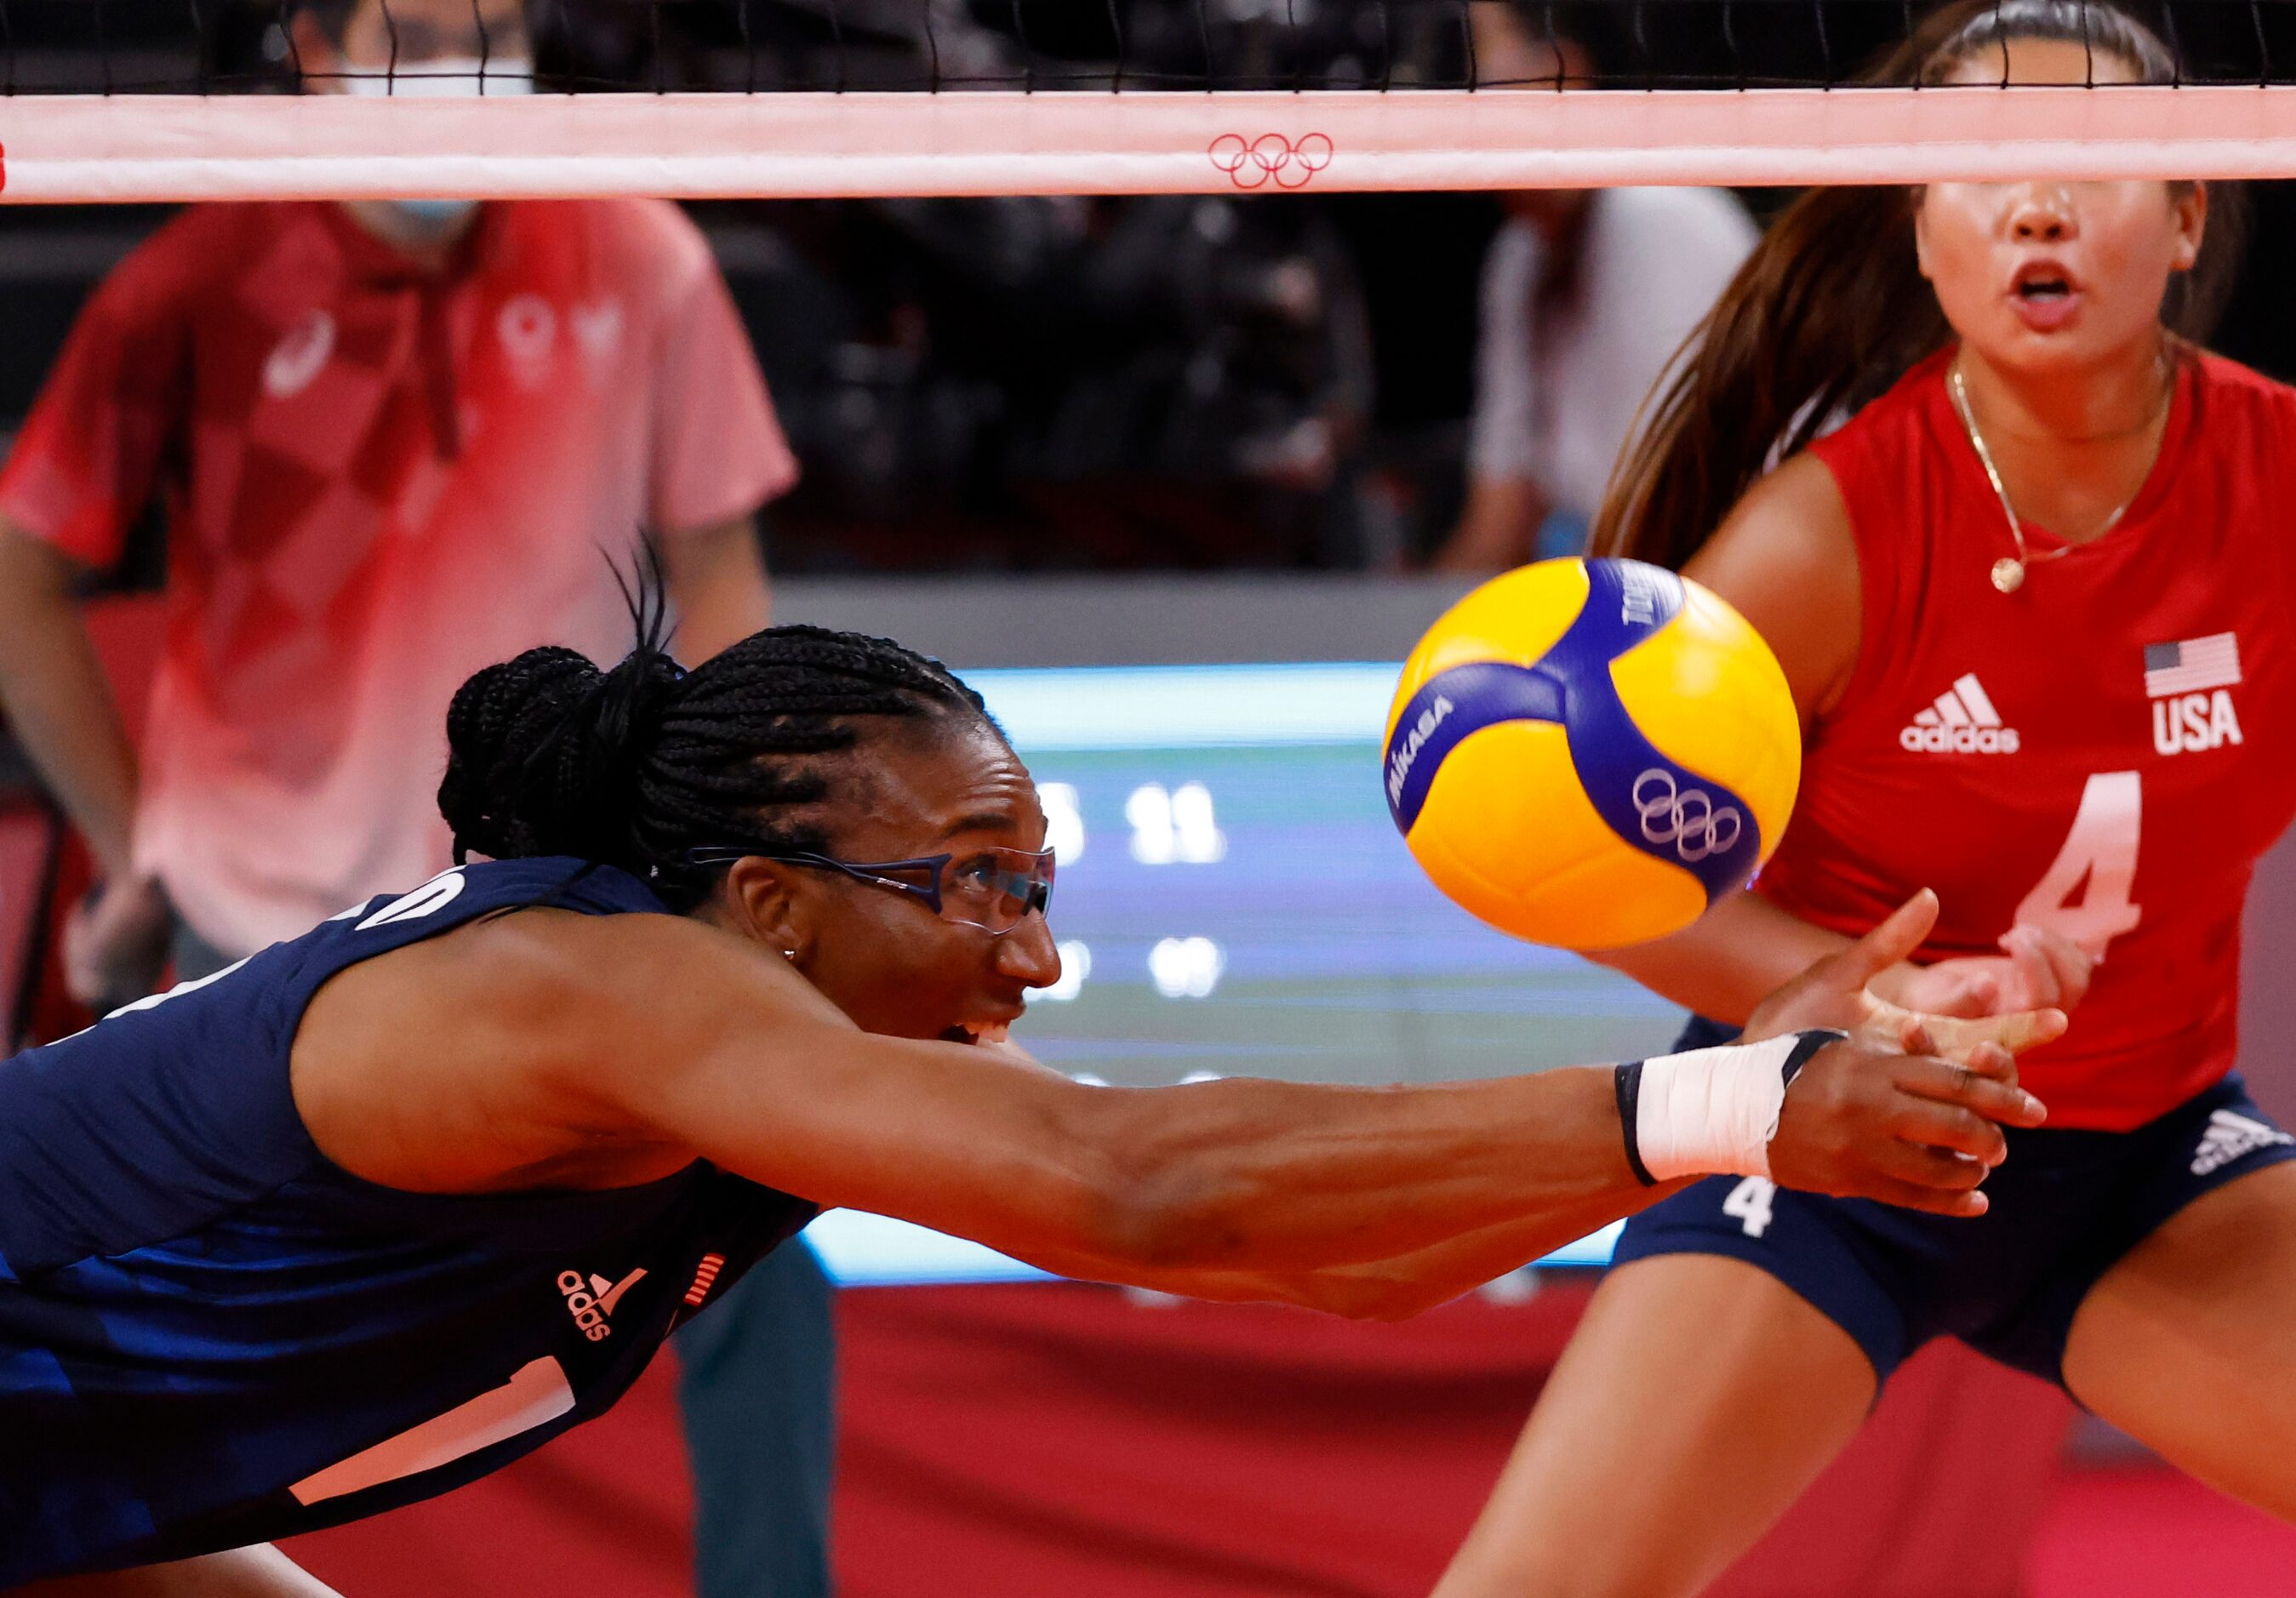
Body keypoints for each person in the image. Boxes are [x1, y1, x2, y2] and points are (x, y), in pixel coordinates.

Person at [0, 596, 2060, 1594]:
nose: (1036, 955)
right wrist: (1718, 1113)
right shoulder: (590, 993)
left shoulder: (742, 1075)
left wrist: (1715, 1111)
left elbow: (1308, 1271)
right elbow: (1144, 1187)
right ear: (769, 906)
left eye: (1042, 892)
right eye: (975, 886)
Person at [1434, 6, 2296, 1595]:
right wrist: (1848, 992)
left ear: (2188, 214)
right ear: (1916, 222)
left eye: (2089, 167)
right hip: (1825, 1149)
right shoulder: (1820, 537)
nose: (2030, 205)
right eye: (1972, 169)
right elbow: (1581, 866)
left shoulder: (2277, 478)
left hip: (2142, 1164)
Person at [0, 6, 830, 1592]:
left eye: (491, 25)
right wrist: (131, 842)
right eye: (417, 27)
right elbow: (24, 575)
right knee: (167, 1386)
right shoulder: (196, 276)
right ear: (316, 41)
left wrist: (740, 850)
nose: (464, 56)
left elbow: (722, 578)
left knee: (764, 1256)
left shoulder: (637, 252)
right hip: (269, 944)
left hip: (571, 917)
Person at [1431, 4, 1756, 573]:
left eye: (1476, 60)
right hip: (1616, 577)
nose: (1461, 86)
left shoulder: (1661, 220)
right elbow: (1503, 512)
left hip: (1724, 582)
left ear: (1561, 70)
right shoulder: (1516, 263)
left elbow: (1676, 507)